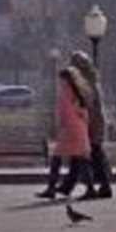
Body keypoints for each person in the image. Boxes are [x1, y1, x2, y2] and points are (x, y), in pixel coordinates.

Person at [36, 65, 96, 200]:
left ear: (65, 80)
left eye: (61, 80)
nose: (59, 82)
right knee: (82, 159)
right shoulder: (79, 92)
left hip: (70, 129)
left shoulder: (65, 92)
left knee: (56, 158)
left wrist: (61, 127)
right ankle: (90, 188)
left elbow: (65, 113)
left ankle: (51, 188)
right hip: (80, 128)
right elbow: (84, 112)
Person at [70, 50, 113, 199]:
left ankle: (92, 187)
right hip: (95, 122)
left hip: (89, 123)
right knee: (97, 154)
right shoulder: (93, 81)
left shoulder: (84, 83)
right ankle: (104, 185)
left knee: (88, 155)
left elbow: (87, 105)